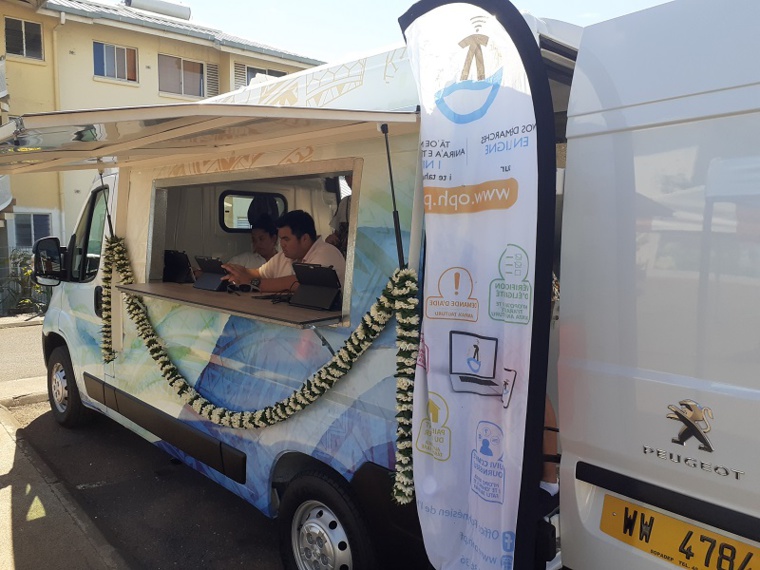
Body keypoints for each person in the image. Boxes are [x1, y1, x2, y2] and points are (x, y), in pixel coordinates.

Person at [222, 209, 346, 293]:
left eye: (286, 239)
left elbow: (299, 282)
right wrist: (236, 271)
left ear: (304, 239)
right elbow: (259, 273)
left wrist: (251, 282)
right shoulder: (284, 256)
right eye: (281, 239)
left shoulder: (326, 253)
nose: (282, 244)